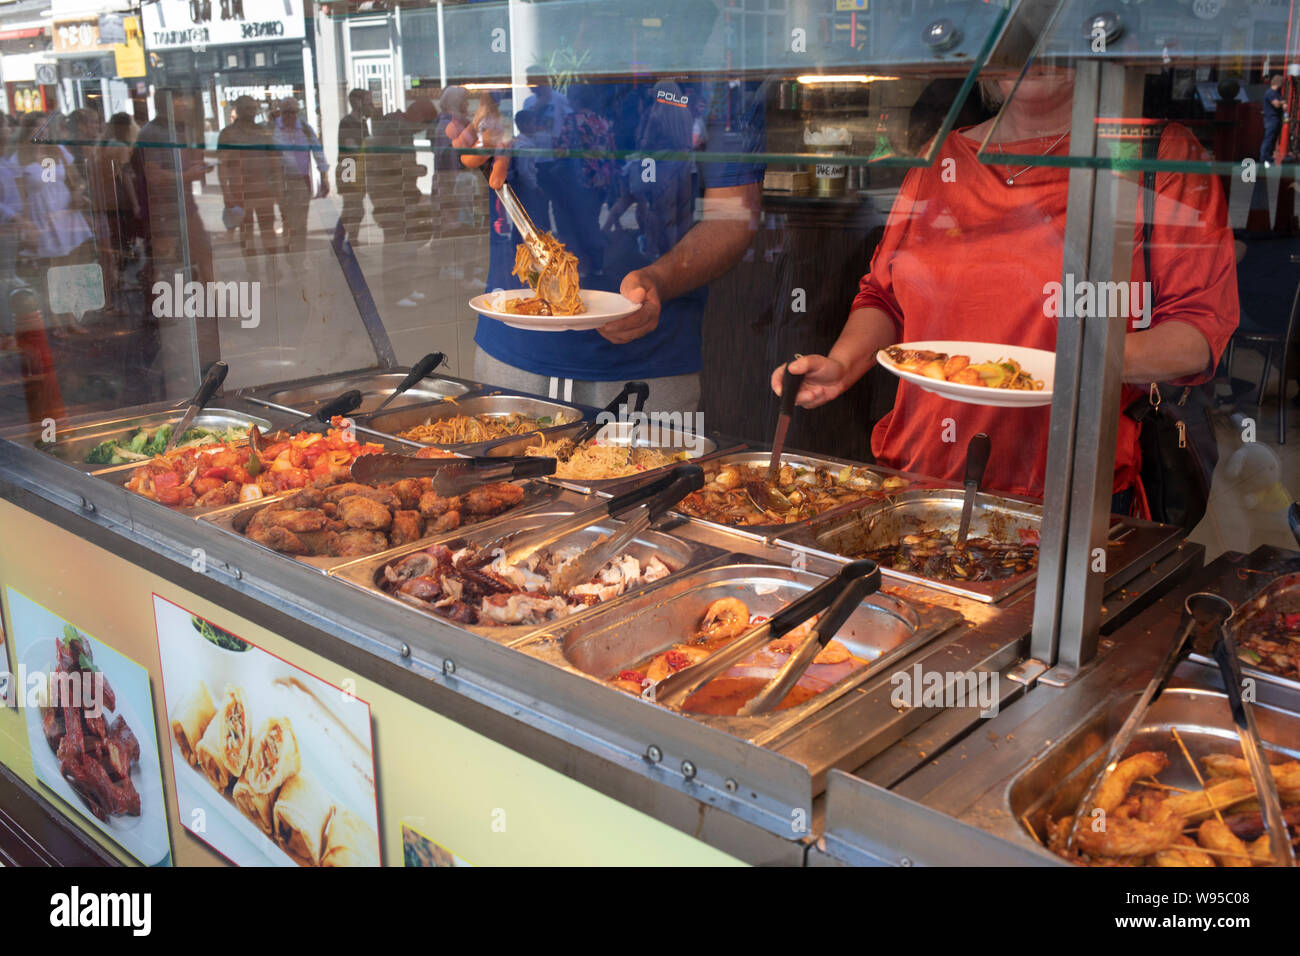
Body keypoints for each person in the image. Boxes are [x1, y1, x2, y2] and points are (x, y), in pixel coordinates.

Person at [772, 70, 1239, 515]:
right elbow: (883, 297)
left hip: (1069, 490)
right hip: (918, 472)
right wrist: (841, 365)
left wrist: (1061, 366)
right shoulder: (942, 160)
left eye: (1046, 32)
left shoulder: (1156, 155)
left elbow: (1196, 334)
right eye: (1012, 37)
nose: (1029, 56)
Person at [447, 77, 764, 414]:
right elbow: (480, 108)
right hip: (511, 348)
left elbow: (733, 215)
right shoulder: (532, 58)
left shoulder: (717, 68)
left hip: (647, 369)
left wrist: (659, 278)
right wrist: (480, 126)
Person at [218, 96, 280, 258]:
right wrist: (226, 193)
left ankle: (272, 268)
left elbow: (274, 160)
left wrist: (277, 186)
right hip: (241, 191)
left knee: (268, 230)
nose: (251, 112)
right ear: (238, 110)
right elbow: (222, 165)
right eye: (247, 108)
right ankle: (252, 272)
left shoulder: (263, 131)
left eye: (253, 108)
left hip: (263, 190)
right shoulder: (228, 134)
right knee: (247, 233)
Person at [271, 97, 329, 255]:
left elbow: (318, 152)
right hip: (282, 181)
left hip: (301, 181)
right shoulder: (273, 129)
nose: (289, 116)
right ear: (280, 113)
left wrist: (324, 177)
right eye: (286, 112)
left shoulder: (305, 128)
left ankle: (299, 257)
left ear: (297, 113)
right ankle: (290, 254)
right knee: (288, 221)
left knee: (301, 222)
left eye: (293, 112)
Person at [337, 88, 373, 245]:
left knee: (353, 209)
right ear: (357, 102)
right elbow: (350, 146)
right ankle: (346, 243)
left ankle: (348, 242)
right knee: (353, 208)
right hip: (349, 167)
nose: (370, 104)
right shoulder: (347, 122)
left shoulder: (363, 123)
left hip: (359, 168)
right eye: (367, 101)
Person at [1261, 74, 1285, 166]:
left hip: (1276, 119)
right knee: (1268, 139)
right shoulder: (1270, 93)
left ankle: (1268, 158)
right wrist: (1283, 102)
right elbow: (1276, 104)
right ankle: (1264, 159)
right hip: (1271, 119)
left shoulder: (1276, 93)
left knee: (1273, 139)